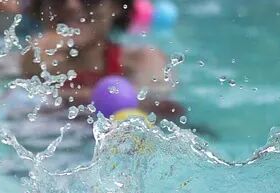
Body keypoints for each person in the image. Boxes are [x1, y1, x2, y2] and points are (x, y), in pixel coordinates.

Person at [22, 0, 182, 119]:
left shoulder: (143, 60)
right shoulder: (27, 61)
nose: (71, 5)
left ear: (116, 6)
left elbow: (162, 108)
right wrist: (31, 71)